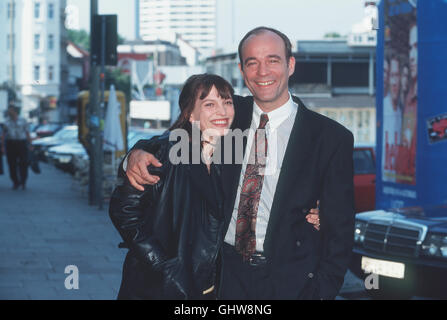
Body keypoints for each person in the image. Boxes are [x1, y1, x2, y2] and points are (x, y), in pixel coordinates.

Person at [125, 27, 354, 300]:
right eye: (252, 63)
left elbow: (340, 231)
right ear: (242, 70)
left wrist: (319, 292)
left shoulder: (330, 138)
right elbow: (174, 138)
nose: (262, 72)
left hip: (290, 282)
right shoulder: (228, 114)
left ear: (290, 65)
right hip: (221, 275)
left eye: (272, 60)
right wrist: (135, 154)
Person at [109, 74, 236, 299]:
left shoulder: (227, 157)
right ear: (189, 113)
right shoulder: (162, 153)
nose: (222, 111)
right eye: (209, 104)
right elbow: (124, 212)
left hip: (207, 288)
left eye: (227, 102)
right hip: (159, 287)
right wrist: (165, 266)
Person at [1, 105, 32, 190]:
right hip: (11, 143)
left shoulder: (23, 120)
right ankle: (15, 182)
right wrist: (2, 146)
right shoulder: (6, 122)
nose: (9, 112)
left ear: (15, 111)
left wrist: (30, 144)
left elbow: (27, 133)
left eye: (11, 110)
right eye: (8, 111)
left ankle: (23, 181)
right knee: (11, 164)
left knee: (23, 163)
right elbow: (3, 135)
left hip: (21, 143)